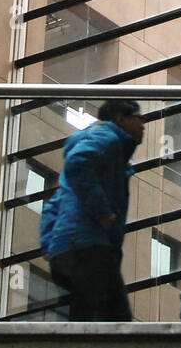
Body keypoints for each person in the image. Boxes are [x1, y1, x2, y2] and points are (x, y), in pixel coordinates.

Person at [40, 99, 145, 321]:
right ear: (120, 119)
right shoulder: (107, 137)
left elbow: (54, 205)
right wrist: (103, 213)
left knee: (82, 322)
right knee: (118, 324)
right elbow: (78, 163)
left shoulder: (99, 147)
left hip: (66, 252)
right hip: (89, 249)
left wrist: (51, 245)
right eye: (139, 117)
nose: (143, 125)